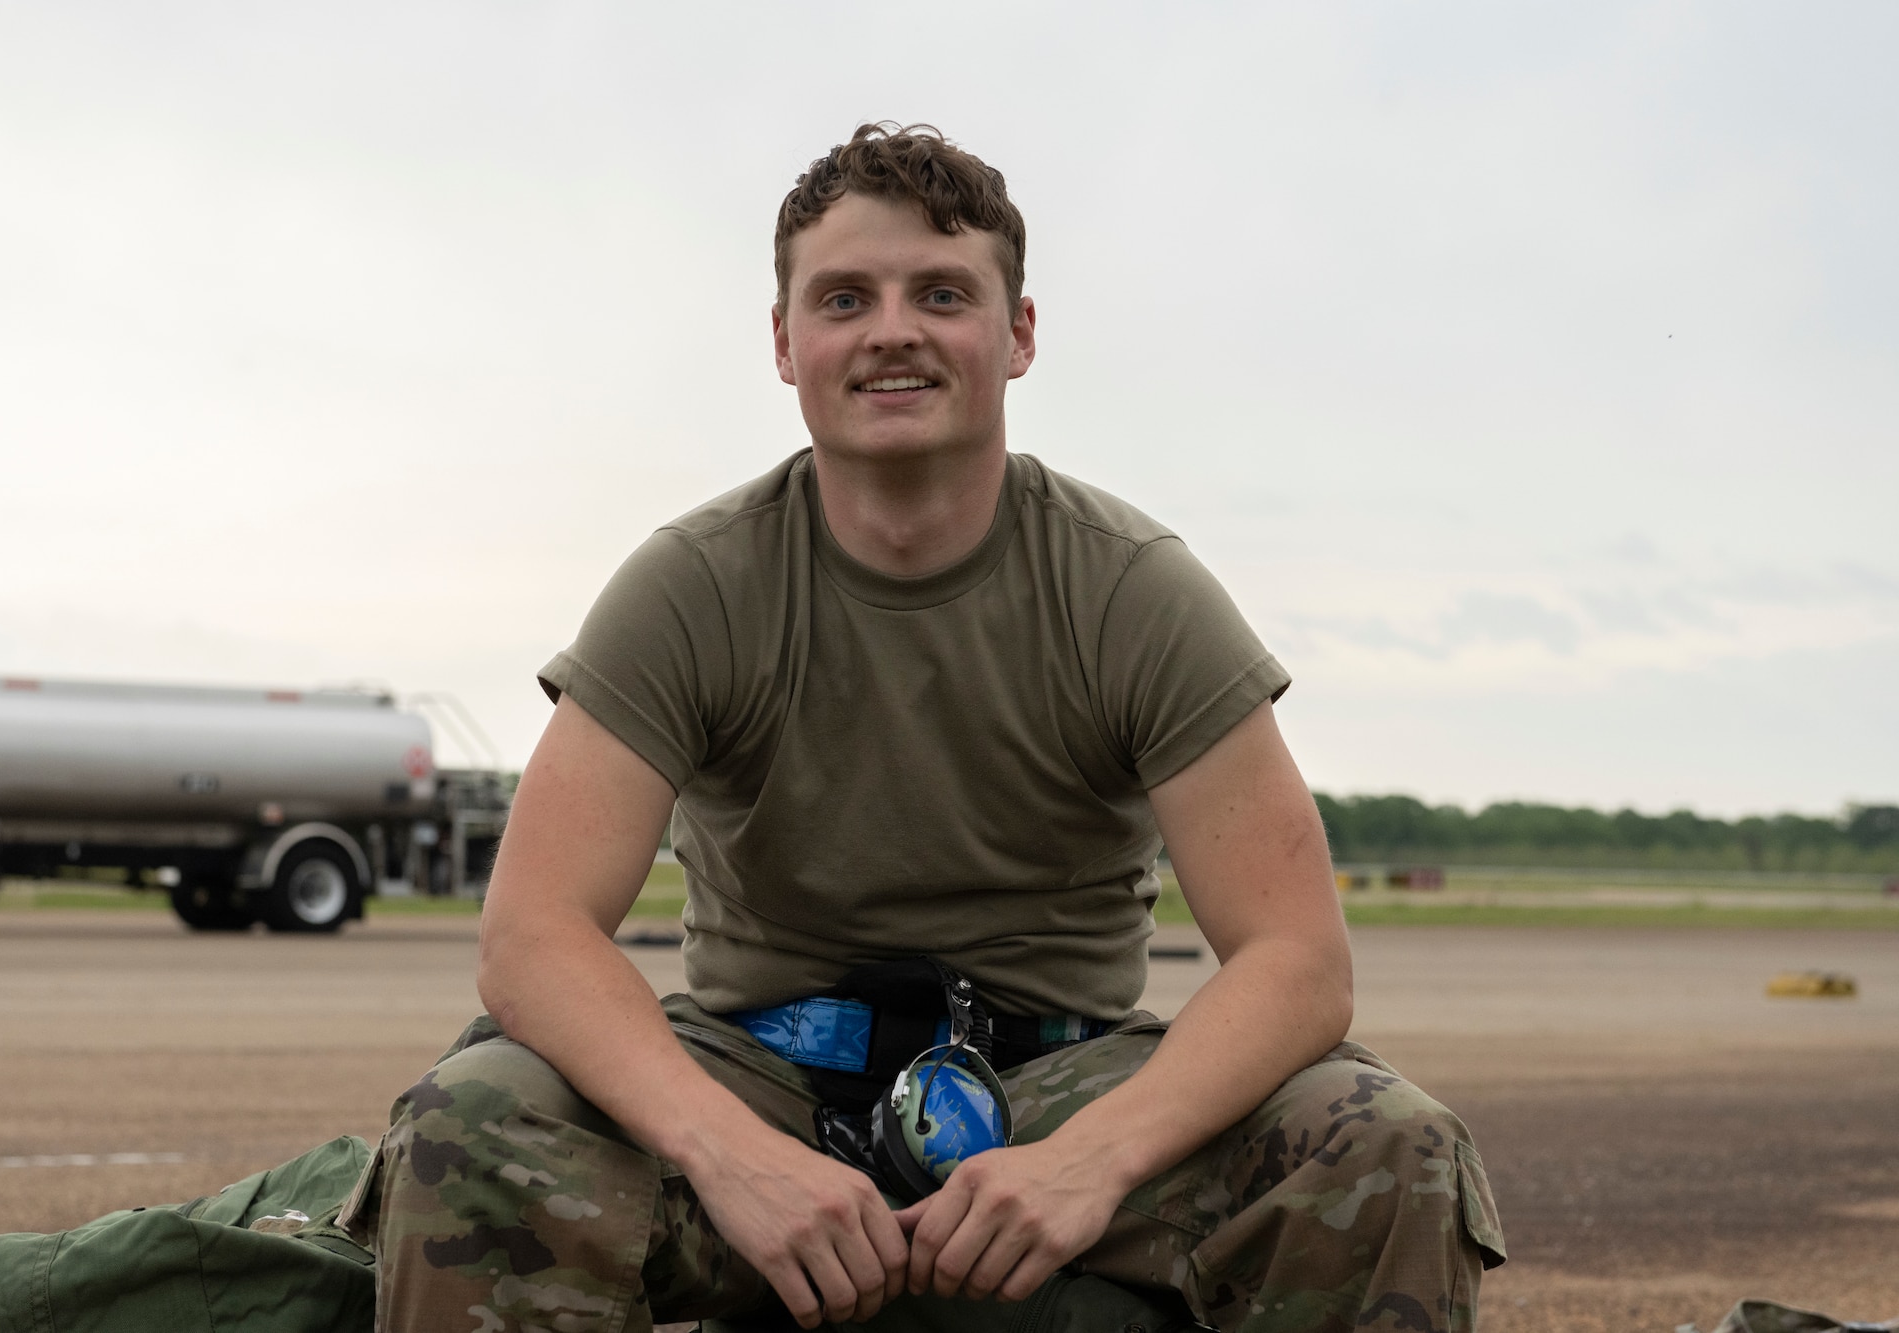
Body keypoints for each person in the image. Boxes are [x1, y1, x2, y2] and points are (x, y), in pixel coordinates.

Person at [342, 123, 1506, 1333]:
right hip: (758, 1072)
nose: (892, 328)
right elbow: (531, 934)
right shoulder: (693, 584)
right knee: (470, 1121)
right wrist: (733, 1155)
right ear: (785, 344)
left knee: (1386, 1146)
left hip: (1063, 1081)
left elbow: (1296, 961)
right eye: (844, 297)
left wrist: (1089, 1159)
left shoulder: (1130, 588)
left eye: (941, 293)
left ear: (1018, 335)